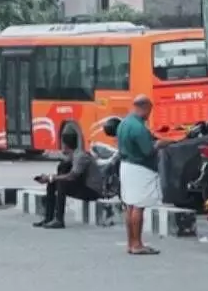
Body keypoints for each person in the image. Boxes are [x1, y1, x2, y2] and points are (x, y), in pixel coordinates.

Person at [116, 95, 165, 256]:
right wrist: (159, 144)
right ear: (144, 107)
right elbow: (148, 150)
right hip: (139, 169)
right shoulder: (138, 127)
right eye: (149, 111)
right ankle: (137, 244)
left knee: (130, 206)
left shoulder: (123, 123)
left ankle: (131, 243)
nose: (149, 115)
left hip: (126, 166)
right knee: (138, 207)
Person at [34, 130, 104, 229]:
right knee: (52, 183)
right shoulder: (73, 155)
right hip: (84, 186)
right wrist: (49, 178)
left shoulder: (80, 156)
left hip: (92, 191)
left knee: (61, 183)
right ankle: (48, 218)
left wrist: (51, 177)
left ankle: (59, 220)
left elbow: (72, 176)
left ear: (65, 145)